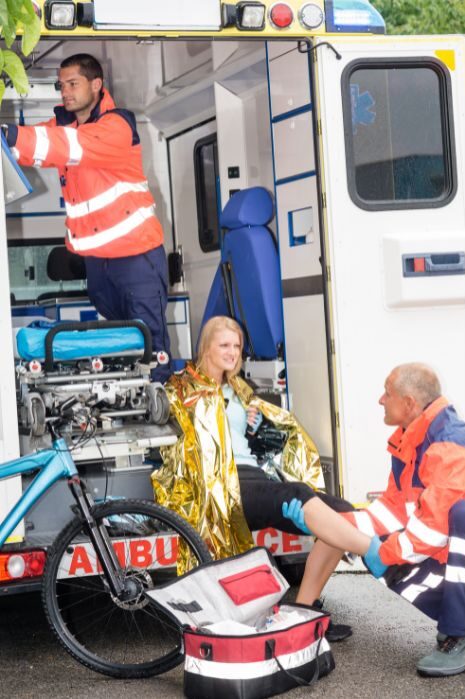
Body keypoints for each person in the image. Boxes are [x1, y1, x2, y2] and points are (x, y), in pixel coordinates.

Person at [151, 315, 376, 640]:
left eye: (237, 346)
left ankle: (304, 613)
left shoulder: (242, 390)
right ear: (207, 346)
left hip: (255, 477)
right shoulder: (181, 387)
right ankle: (374, 551)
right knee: (298, 494)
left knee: (340, 512)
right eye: (224, 345)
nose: (231, 352)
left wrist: (262, 429)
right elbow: (176, 447)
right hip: (219, 489)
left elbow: (263, 445)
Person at [282, 363, 465, 677]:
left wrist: (380, 552)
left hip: (442, 541)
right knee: (353, 538)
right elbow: (392, 510)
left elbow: (431, 532)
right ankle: (301, 619)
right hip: (432, 542)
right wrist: (336, 525)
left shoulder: (448, 444)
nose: (381, 400)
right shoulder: (413, 437)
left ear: (409, 403)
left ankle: (459, 633)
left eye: (387, 393)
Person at [3, 53, 171, 382]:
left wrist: (10, 134)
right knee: (117, 351)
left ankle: (168, 422)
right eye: (60, 85)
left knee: (151, 348)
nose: (64, 92)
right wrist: (8, 141)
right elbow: (35, 146)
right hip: (99, 265)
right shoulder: (67, 127)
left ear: (96, 85)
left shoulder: (116, 126)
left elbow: (66, 146)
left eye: (72, 84)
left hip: (136, 260)